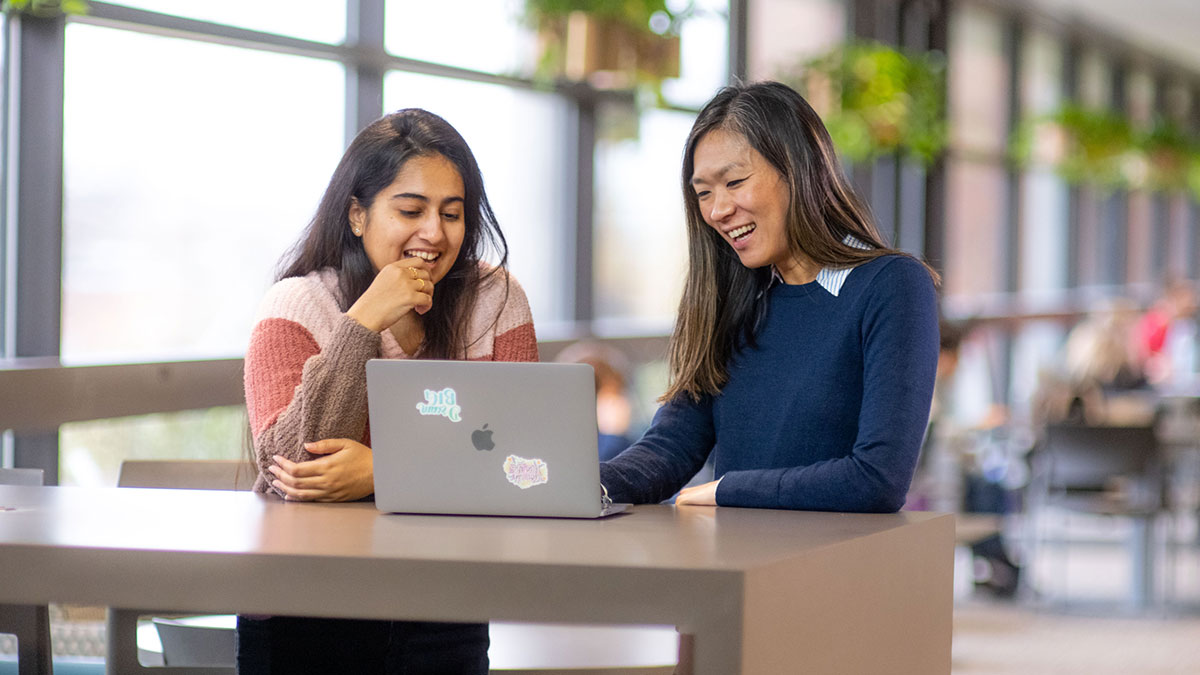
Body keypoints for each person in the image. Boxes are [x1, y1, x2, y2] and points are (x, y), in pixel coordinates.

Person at [239, 109, 537, 674]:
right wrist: (363, 321)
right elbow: (294, 466)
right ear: (357, 215)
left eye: (452, 214)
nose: (435, 232)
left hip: (446, 605)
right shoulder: (297, 305)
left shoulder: (495, 300)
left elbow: (527, 467)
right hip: (306, 604)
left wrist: (385, 473)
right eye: (410, 210)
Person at [599, 81, 939, 512]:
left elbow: (877, 478)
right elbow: (668, 448)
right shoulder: (735, 300)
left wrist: (725, 490)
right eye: (703, 193)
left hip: (836, 571)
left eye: (734, 182)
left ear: (797, 169)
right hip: (740, 569)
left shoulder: (891, 286)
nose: (718, 210)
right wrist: (577, 483)